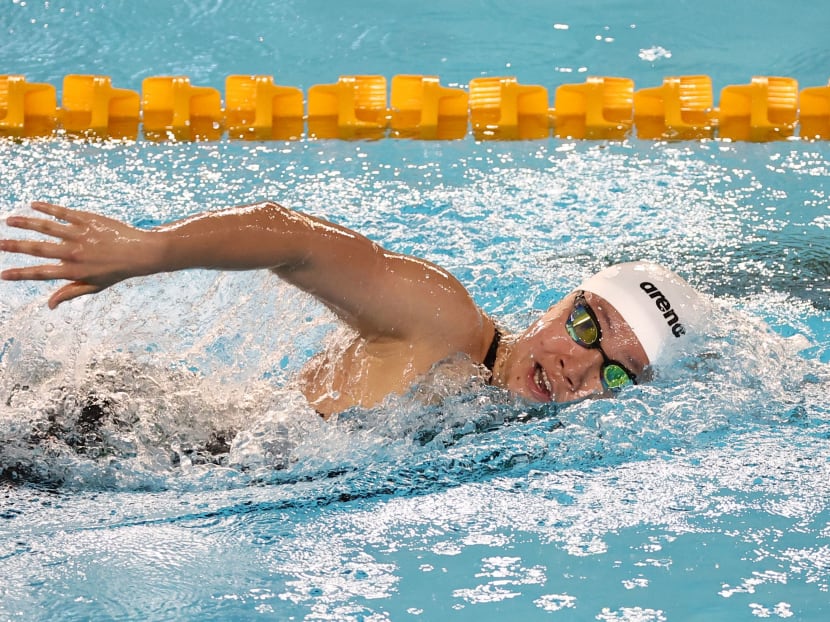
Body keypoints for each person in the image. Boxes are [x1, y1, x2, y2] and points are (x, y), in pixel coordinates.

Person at [0, 201, 704, 418]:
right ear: (561, 303)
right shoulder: (446, 322)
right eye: (589, 327)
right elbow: (298, 240)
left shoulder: (508, 422)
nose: (579, 367)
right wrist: (147, 252)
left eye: (616, 375)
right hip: (111, 428)